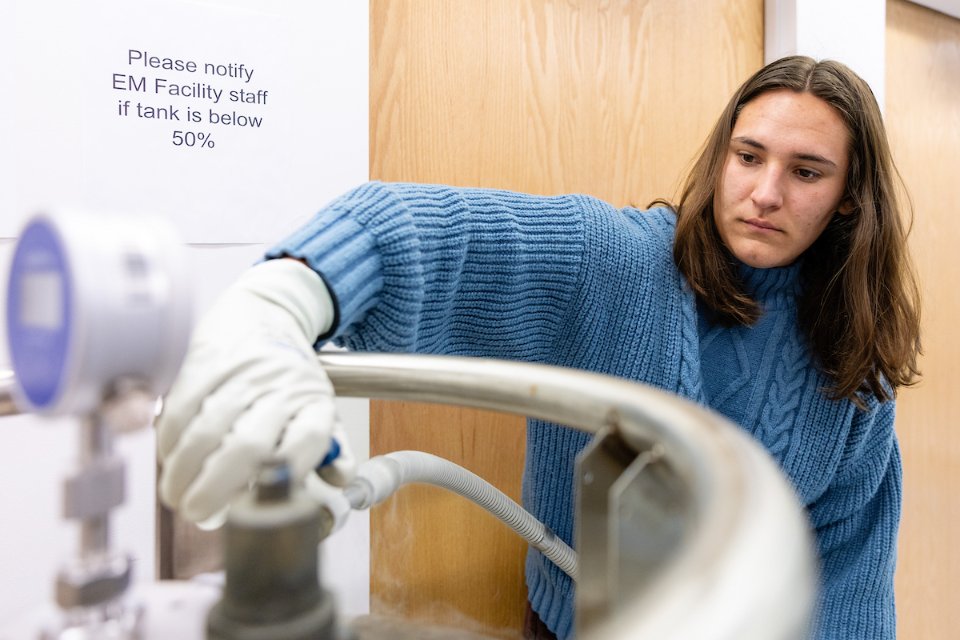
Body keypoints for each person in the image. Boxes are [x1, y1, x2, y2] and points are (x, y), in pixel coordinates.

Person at [156, 55, 921, 640]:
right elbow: (412, 225)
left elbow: (847, 581)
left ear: (850, 196)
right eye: (748, 156)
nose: (764, 192)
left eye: (806, 172)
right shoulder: (614, 263)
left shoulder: (855, 377)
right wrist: (282, 300)